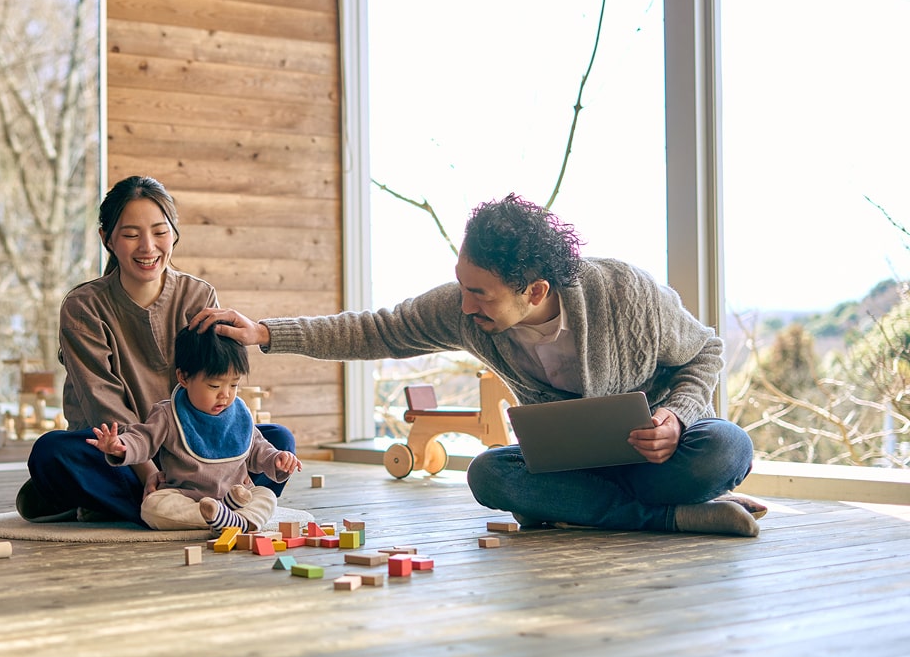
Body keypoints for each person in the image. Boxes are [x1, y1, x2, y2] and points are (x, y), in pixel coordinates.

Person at [192, 193, 765, 538]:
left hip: (655, 455)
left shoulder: (625, 292)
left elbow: (705, 351)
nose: (464, 306)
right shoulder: (466, 308)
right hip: (575, 466)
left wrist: (677, 418)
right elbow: (378, 329)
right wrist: (268, 333)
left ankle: (622, 507)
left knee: (727, 448)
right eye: (463, 284)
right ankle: (673, 518)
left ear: (534, 288)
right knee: (489, 475)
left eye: (480, 294)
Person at [16, 175, 296, 525]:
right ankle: (206, 507)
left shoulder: (198, 297)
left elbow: (216, 378)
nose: (148, 247)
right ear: (108, 239)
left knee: (278, 440)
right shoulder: (83, 306)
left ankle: (142, 507)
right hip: (123, 450)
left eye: (159, 233)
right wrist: (148, 473)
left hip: (191, 450)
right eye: (132, 235)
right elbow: (103, 403)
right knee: (52, 452)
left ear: (174, 234)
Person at [87, 327, 301, 532]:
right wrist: (121, 446)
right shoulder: (168, 414)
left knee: (265, 496)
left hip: (238, 494)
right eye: (214, 386)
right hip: (187, 497)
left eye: (233, 385)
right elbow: (143, 438)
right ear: (184, 378)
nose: (225, 395)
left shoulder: (239, 413)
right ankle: (227, 519)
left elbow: (257, 448)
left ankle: (229, 518)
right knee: (153, 507)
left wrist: (277, 460)